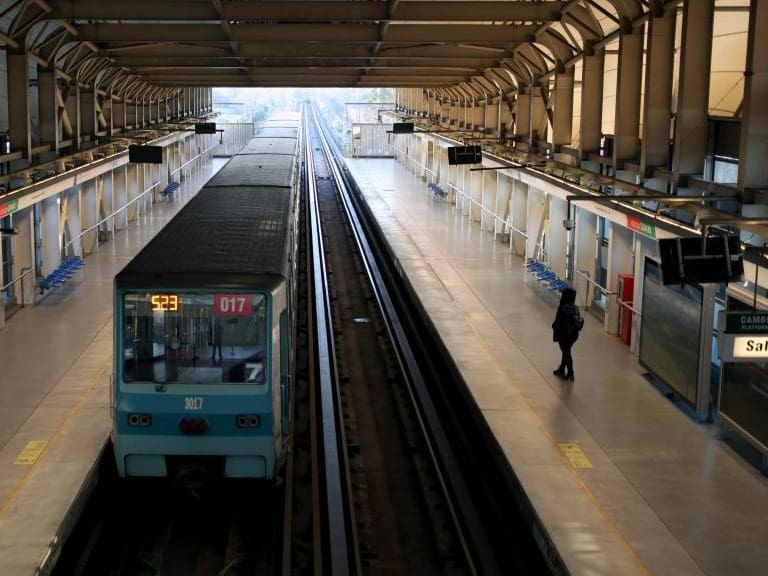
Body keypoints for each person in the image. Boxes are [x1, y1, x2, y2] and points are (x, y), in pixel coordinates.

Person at [552, 287, 583, 381]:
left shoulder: (562, 308)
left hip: (564, 334)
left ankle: (570, 373)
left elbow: (558, 321)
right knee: (566, 351)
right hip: (573, 334)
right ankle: (562, 368)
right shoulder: (575, 308)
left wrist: (554, 326)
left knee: (567, 353)